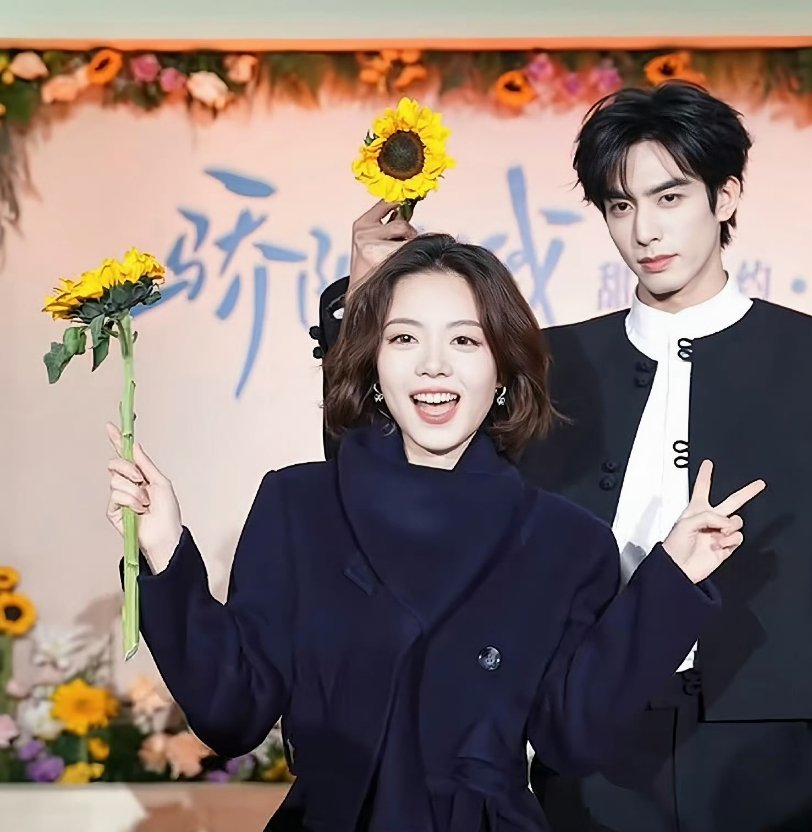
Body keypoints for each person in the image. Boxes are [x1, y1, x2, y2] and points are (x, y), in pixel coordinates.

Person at [315, 80, 812, 831]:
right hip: (588, 751)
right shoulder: (550, 362)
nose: (645, 231)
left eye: (670, 198)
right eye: (621, 206)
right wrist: (362, 304)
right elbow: (393, 489)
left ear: (726, 196)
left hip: (768, 759)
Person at [105, 233, 766, 832]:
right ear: (371, 363)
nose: (433, 366)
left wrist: (670, 580)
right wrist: (164, 549)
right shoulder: (298, 504)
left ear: (503, 371)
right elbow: (232, 712)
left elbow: (571, 736)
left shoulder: (565, 540)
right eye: (404, 339)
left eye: (464, 341)